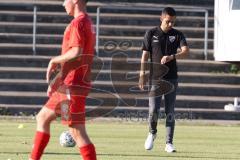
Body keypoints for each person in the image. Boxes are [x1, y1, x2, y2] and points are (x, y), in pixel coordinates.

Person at [29, 0, 97, 159]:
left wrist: (53, 60)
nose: (63, 4)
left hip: (72, 86)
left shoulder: (78, 23)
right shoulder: (86, 21)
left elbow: (76, 52)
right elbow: (74, 59)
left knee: (77, 131)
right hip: (68, 85)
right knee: (43, 118)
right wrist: (57, 81)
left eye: (65, 0)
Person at [139, 7, 189, 153]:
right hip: (155, 79)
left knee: (170, 111)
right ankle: (152, 132)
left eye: (173, 22)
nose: (170, 25)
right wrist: (142, 74)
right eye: (168, 21)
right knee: (153, 109)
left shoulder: (178, 34)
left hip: (172, 79)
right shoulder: (151, 33)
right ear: (161, 18)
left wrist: (172, 56)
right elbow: (144, 56)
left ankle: (169, 143)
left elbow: (186, 51)